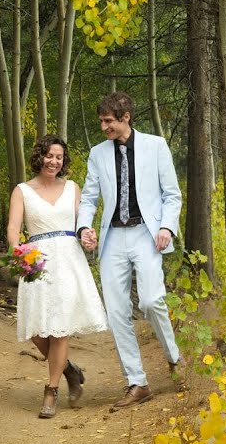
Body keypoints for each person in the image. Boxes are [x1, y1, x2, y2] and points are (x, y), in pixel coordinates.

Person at [77, 91, 183, 410]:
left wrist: (167, 227)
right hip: (112, 237)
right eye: (101, 121)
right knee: (117, 311)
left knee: (151, 300)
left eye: (108, 121)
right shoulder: (97, 154)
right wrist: (84, 228)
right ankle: (137, 382)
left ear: (126, 118)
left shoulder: (156, 146)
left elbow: (172, 195)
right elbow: (89, 197)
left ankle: (174, 357)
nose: (104, 127)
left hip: (146, 234)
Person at [6, 134, 107, 419]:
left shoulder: (72, 188)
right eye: (49, 156)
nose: (54, 161)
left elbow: (82, 223)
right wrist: (18, 251)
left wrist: (88, 236)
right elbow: (13, 229)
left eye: (59, 157)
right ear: (39, 156)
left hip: (68, 260)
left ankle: (51, 392)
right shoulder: (22, 191)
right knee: (36, 331)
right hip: (36, 261)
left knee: (60, 328)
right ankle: (69, 370)